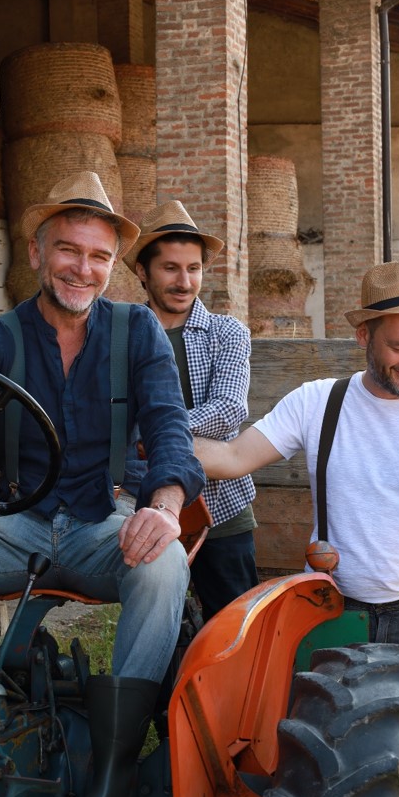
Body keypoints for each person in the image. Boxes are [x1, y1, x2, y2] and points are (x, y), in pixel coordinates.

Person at [0, 171, 205, 797]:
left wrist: (163, 507)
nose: (84, 267)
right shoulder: (4, 333)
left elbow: (170, 431)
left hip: (100, 523)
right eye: (69, 250)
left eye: (99, 256)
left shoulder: (137, 333)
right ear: (39, 252)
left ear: (112, 266)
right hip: (15, 527)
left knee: (163, 565)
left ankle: (113, 774)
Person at [194, 261, 399, 695]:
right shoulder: (318, 401)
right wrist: (160, 442)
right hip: (331, 611)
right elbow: (230, 456)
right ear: (364, 336)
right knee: (319, 749)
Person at [122, 201, 259, 621]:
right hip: (141, 503)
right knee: (155, 622)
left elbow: (229, 411)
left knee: (235, 624)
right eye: (170, 268)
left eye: (194, 268)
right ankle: (161, 689)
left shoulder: (227, 332)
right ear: (143, 272)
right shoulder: (119, 335)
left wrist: (156, 433)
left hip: (221, 504)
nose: (185, 281)